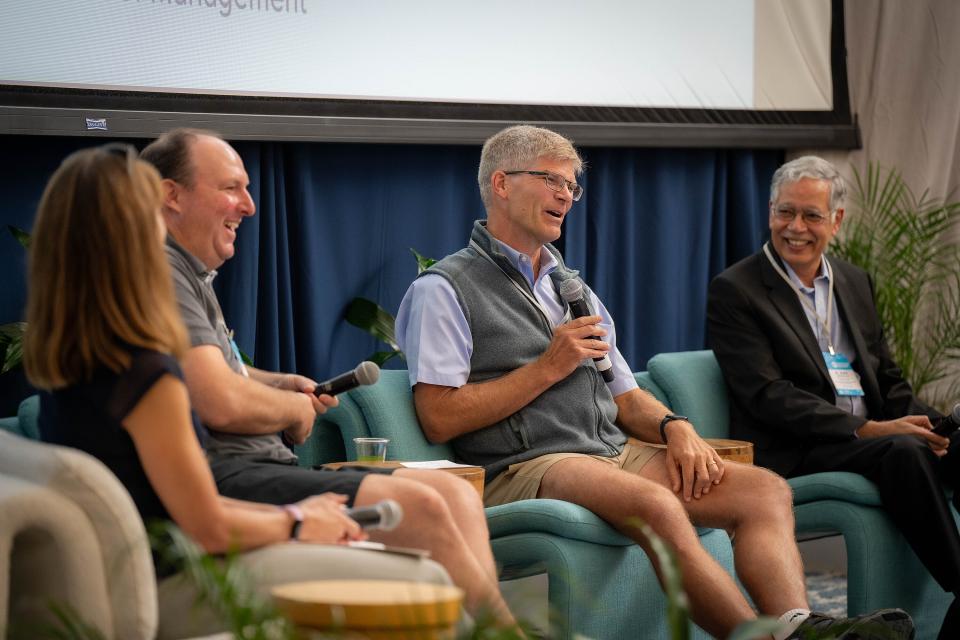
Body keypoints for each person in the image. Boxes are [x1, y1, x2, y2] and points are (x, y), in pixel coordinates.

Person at [395, 124, 914, 640]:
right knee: (657, 504)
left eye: (572, 186)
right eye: (552, 180)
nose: (566, 195)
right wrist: (546, 368)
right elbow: (440, 414)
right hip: (526, 464)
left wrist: (674, 426)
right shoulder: (443, 289)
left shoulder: (570, 287)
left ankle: (798, 627)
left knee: (764, 492)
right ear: (502, 184)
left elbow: (624, 395)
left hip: (609, 452)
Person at [23, 144, 453, 637]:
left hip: (134, 570)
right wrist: (295, 522)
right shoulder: (147, 376)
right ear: (131, 235)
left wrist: (303, 513)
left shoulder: (72, 365)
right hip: (177, 582)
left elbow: (170, 507)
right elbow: (204, 525)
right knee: (431, 581)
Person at [139, 128, 517, 627]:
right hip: (231, 477)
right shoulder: (164, 270)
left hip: (252, 468)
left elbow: (210, 367)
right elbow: (218, 402)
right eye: (231, 188)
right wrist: (292, 409)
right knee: (424, 507)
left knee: (455, 499)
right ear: (172, 195)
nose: (250, 207)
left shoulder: (188, 272)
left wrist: (274, 383)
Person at [707, 154, 960, 639]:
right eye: (785, 212)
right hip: (798, 447)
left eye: (811, 215)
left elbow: (887, 380)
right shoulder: (736, 289)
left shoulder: (852, 280)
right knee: (902, 450)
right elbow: (768, 395)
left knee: (943, 443)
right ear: (769, 211)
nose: (795, 227)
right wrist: (868, 428)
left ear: (837, 221)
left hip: (872, 439)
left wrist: (928, 422)